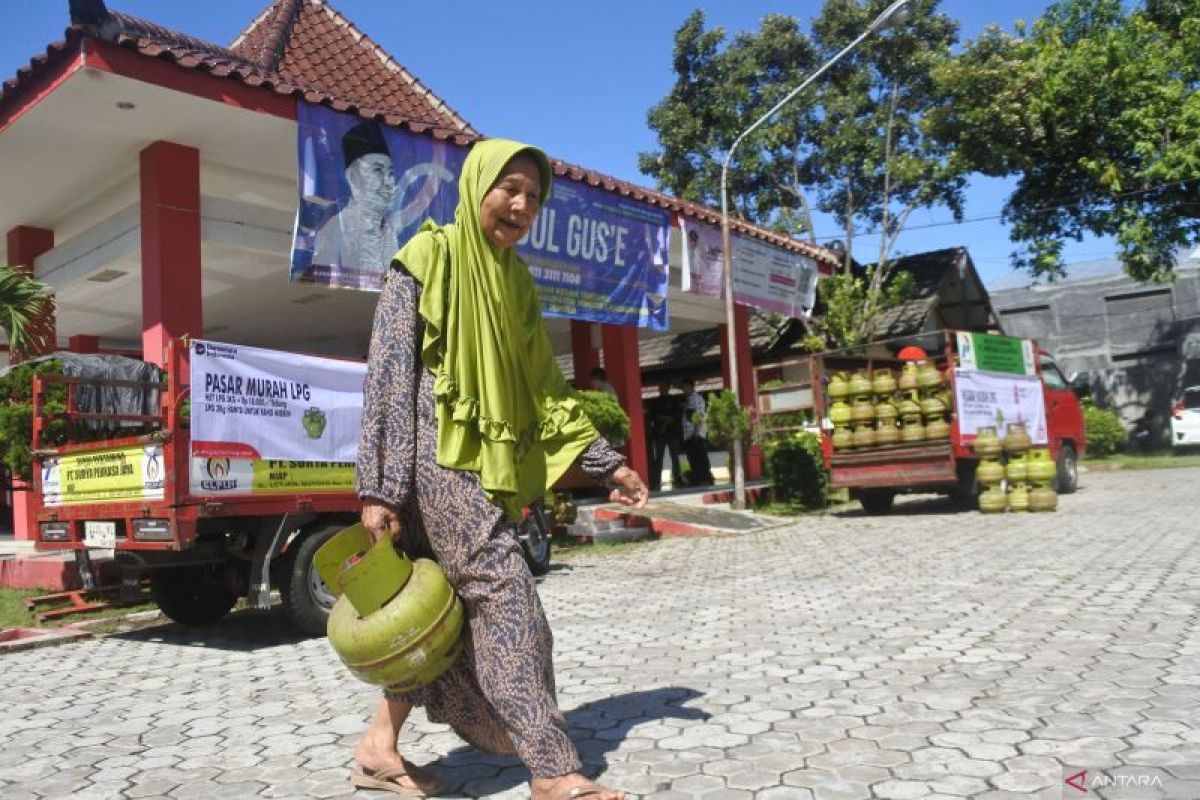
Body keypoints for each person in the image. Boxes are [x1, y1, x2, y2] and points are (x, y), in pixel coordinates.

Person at [354, 138, 647, 800]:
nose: (520, 204)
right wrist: (379, 487)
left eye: (534, 196)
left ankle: (378, 747)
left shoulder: (515, 283)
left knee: (432, 614)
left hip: (480, 467)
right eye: (509, 188)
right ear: (477, 185)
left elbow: (544, 387)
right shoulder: (426, 258)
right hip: (431, 462)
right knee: (506, 593)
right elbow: (390, 374)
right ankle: (551, 769)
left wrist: (605, 464)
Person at [312, 120, 402, 278]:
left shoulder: (390, 231)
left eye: (391, 174)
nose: (388, 182)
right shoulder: (335, 229)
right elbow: (321, 285)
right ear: (353, 177)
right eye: (378, 171)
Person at [645, 381, 683, 491]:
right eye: (660, 387)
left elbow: (676, 416)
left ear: (668, 388)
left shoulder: (674, 401)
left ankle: (677, 479)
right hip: (660, 434)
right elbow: (654, 417)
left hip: (672, 433)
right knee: (659, 458)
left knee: (675, 457)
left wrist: (665, 421)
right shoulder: (655, 402)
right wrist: (664, 420)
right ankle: (656, 481)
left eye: (664, 387)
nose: (662, 389)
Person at [680, 378, 713, 486]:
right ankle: (696, 478)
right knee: (692, 458)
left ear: (691, 387)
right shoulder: (688, 400)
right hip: (689, 435)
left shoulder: (697, 399)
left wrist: (696, 431)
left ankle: (704, 478)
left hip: (696, 434)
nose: (684, 389)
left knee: (700, 457)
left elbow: (699, 415)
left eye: (686, 387)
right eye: (683, 387)